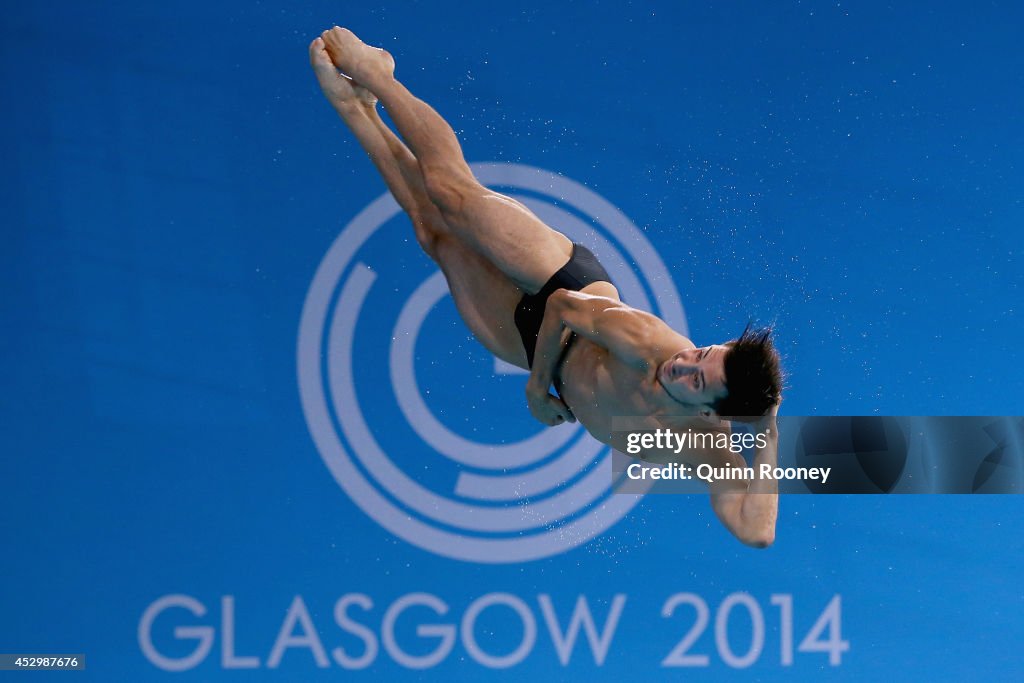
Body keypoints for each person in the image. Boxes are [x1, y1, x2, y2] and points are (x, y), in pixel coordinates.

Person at [310, 27, 782, 547]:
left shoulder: (702, 446)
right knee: (451, 194)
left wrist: (769, 434)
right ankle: (381, 76)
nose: (684, 363)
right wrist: (537, 391)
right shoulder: (648, 344)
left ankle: (358, 110)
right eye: (704, 353)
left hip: (533, 346)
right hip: (563, 284)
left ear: (712, 412)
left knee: (435, 235)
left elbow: (755, 532)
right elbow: (561, 307)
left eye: (697, 380)